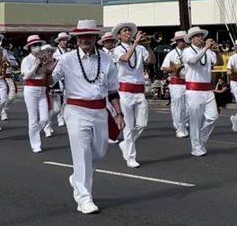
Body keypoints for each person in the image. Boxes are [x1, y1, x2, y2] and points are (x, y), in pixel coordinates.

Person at [49, 19, 124, 214]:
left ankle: (77, 178)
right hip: (75, 110)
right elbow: (50, 80)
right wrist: (46, 70)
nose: (85, 39)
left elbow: (113, 90)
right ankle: (84, 198)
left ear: (95, 38)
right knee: (82, 154)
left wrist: (118, 114)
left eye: (89, 36)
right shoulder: (66, 59)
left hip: (100, 111)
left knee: (99, 152)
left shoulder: (107, 59)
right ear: (76, 38)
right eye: (81, 36)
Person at [112, 22, 155, 168]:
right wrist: (136, 42)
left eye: (130, 31)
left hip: (139, 91)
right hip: (124, 92)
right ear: (119, 35)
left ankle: (125, 143)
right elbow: (124, 59)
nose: (128, 33)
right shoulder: (117, 49)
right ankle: (130, 157)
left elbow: (152, 61)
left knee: (142, 123)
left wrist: (147, 45)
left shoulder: (141, 48)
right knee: (128, 127)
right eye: (125, 31)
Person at [182, 26, 220, 156]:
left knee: (213, 117)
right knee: (196, 121)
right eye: (197, 36)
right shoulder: (187, 51)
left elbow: (218, 62)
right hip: (194, 90)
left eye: (201, 36)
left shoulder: (208, 51)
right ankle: (196, 147)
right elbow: (193, 61)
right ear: (191, 39)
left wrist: (217, 50)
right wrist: (206, 48)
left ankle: (200, 141)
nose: (200, 38)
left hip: (207, 90)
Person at [20, 35, 50, 153]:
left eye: (39, 45)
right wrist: (36, 65)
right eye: (34, 45)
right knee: (33, 119)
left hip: (42, 88)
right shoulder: (26, 60)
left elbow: (47, 73)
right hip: (31, 89)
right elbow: (26, 76)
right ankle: (35, 144)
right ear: (30, 47)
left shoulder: (44, 58)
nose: (37, 47)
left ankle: (33, 132)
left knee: (44, 118)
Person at [161, 30, 188, 138]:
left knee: (189, 106)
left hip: (189, 82)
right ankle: (179, 127)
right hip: (176, 82)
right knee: (177, 106)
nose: (185, 43)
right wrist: (172, 68)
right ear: (177, 42)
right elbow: (164, 68)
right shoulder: (171, 54)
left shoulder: (189, 52)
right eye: (182, 41)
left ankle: (183, 124)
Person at [44, 32, 70, 135]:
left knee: (63, 103)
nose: (65, 41)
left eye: (66, 39)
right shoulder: (55, 54)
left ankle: (61, 118)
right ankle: (48, 125)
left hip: (66, 79)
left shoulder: (68, 52)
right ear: (59, 41)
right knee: (51, 105)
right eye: (63, 40)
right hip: (54, 79)